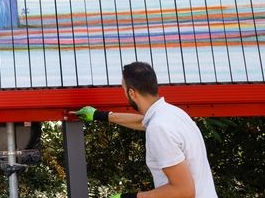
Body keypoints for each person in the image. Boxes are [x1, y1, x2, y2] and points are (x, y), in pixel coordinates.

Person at [74, 61, 217, 198]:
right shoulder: (173, 114)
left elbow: (184, 191)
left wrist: (129, 197)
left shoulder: (159, 128)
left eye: (123, 89)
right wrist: (100, 115)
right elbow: (143, 123)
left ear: (132, 93)